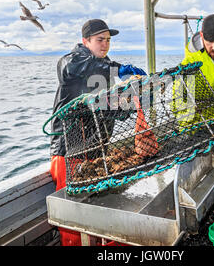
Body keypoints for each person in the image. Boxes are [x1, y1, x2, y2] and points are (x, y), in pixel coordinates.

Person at [49, 19, 146, 246]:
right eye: (100, 40)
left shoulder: (104, 70)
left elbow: (106, 111)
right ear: (85, 41)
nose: (105, 45)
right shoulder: (71, 62)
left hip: (95, 152)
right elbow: (72, 67)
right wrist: (118, 69)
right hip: (67, 154)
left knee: (97, 213)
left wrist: (130, 104)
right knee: (72, 218)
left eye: (109, 40)